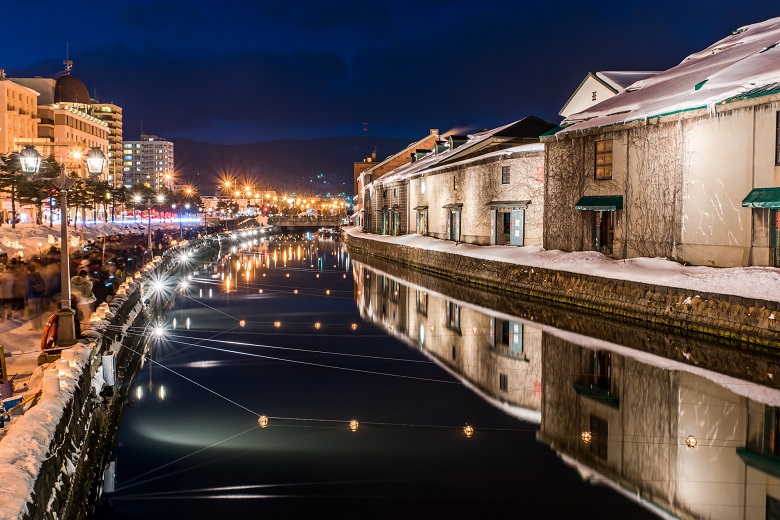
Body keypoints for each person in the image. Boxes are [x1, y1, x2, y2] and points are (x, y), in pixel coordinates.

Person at [25, 264, 46, 330]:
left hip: (31, 297)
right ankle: (39, 325)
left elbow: (27, 289)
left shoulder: (29, 277)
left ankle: (35, 326)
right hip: (39, 296)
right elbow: (44, 285)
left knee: (33, 312)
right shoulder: (38, 276)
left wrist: (26, 298)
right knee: (38, 311)